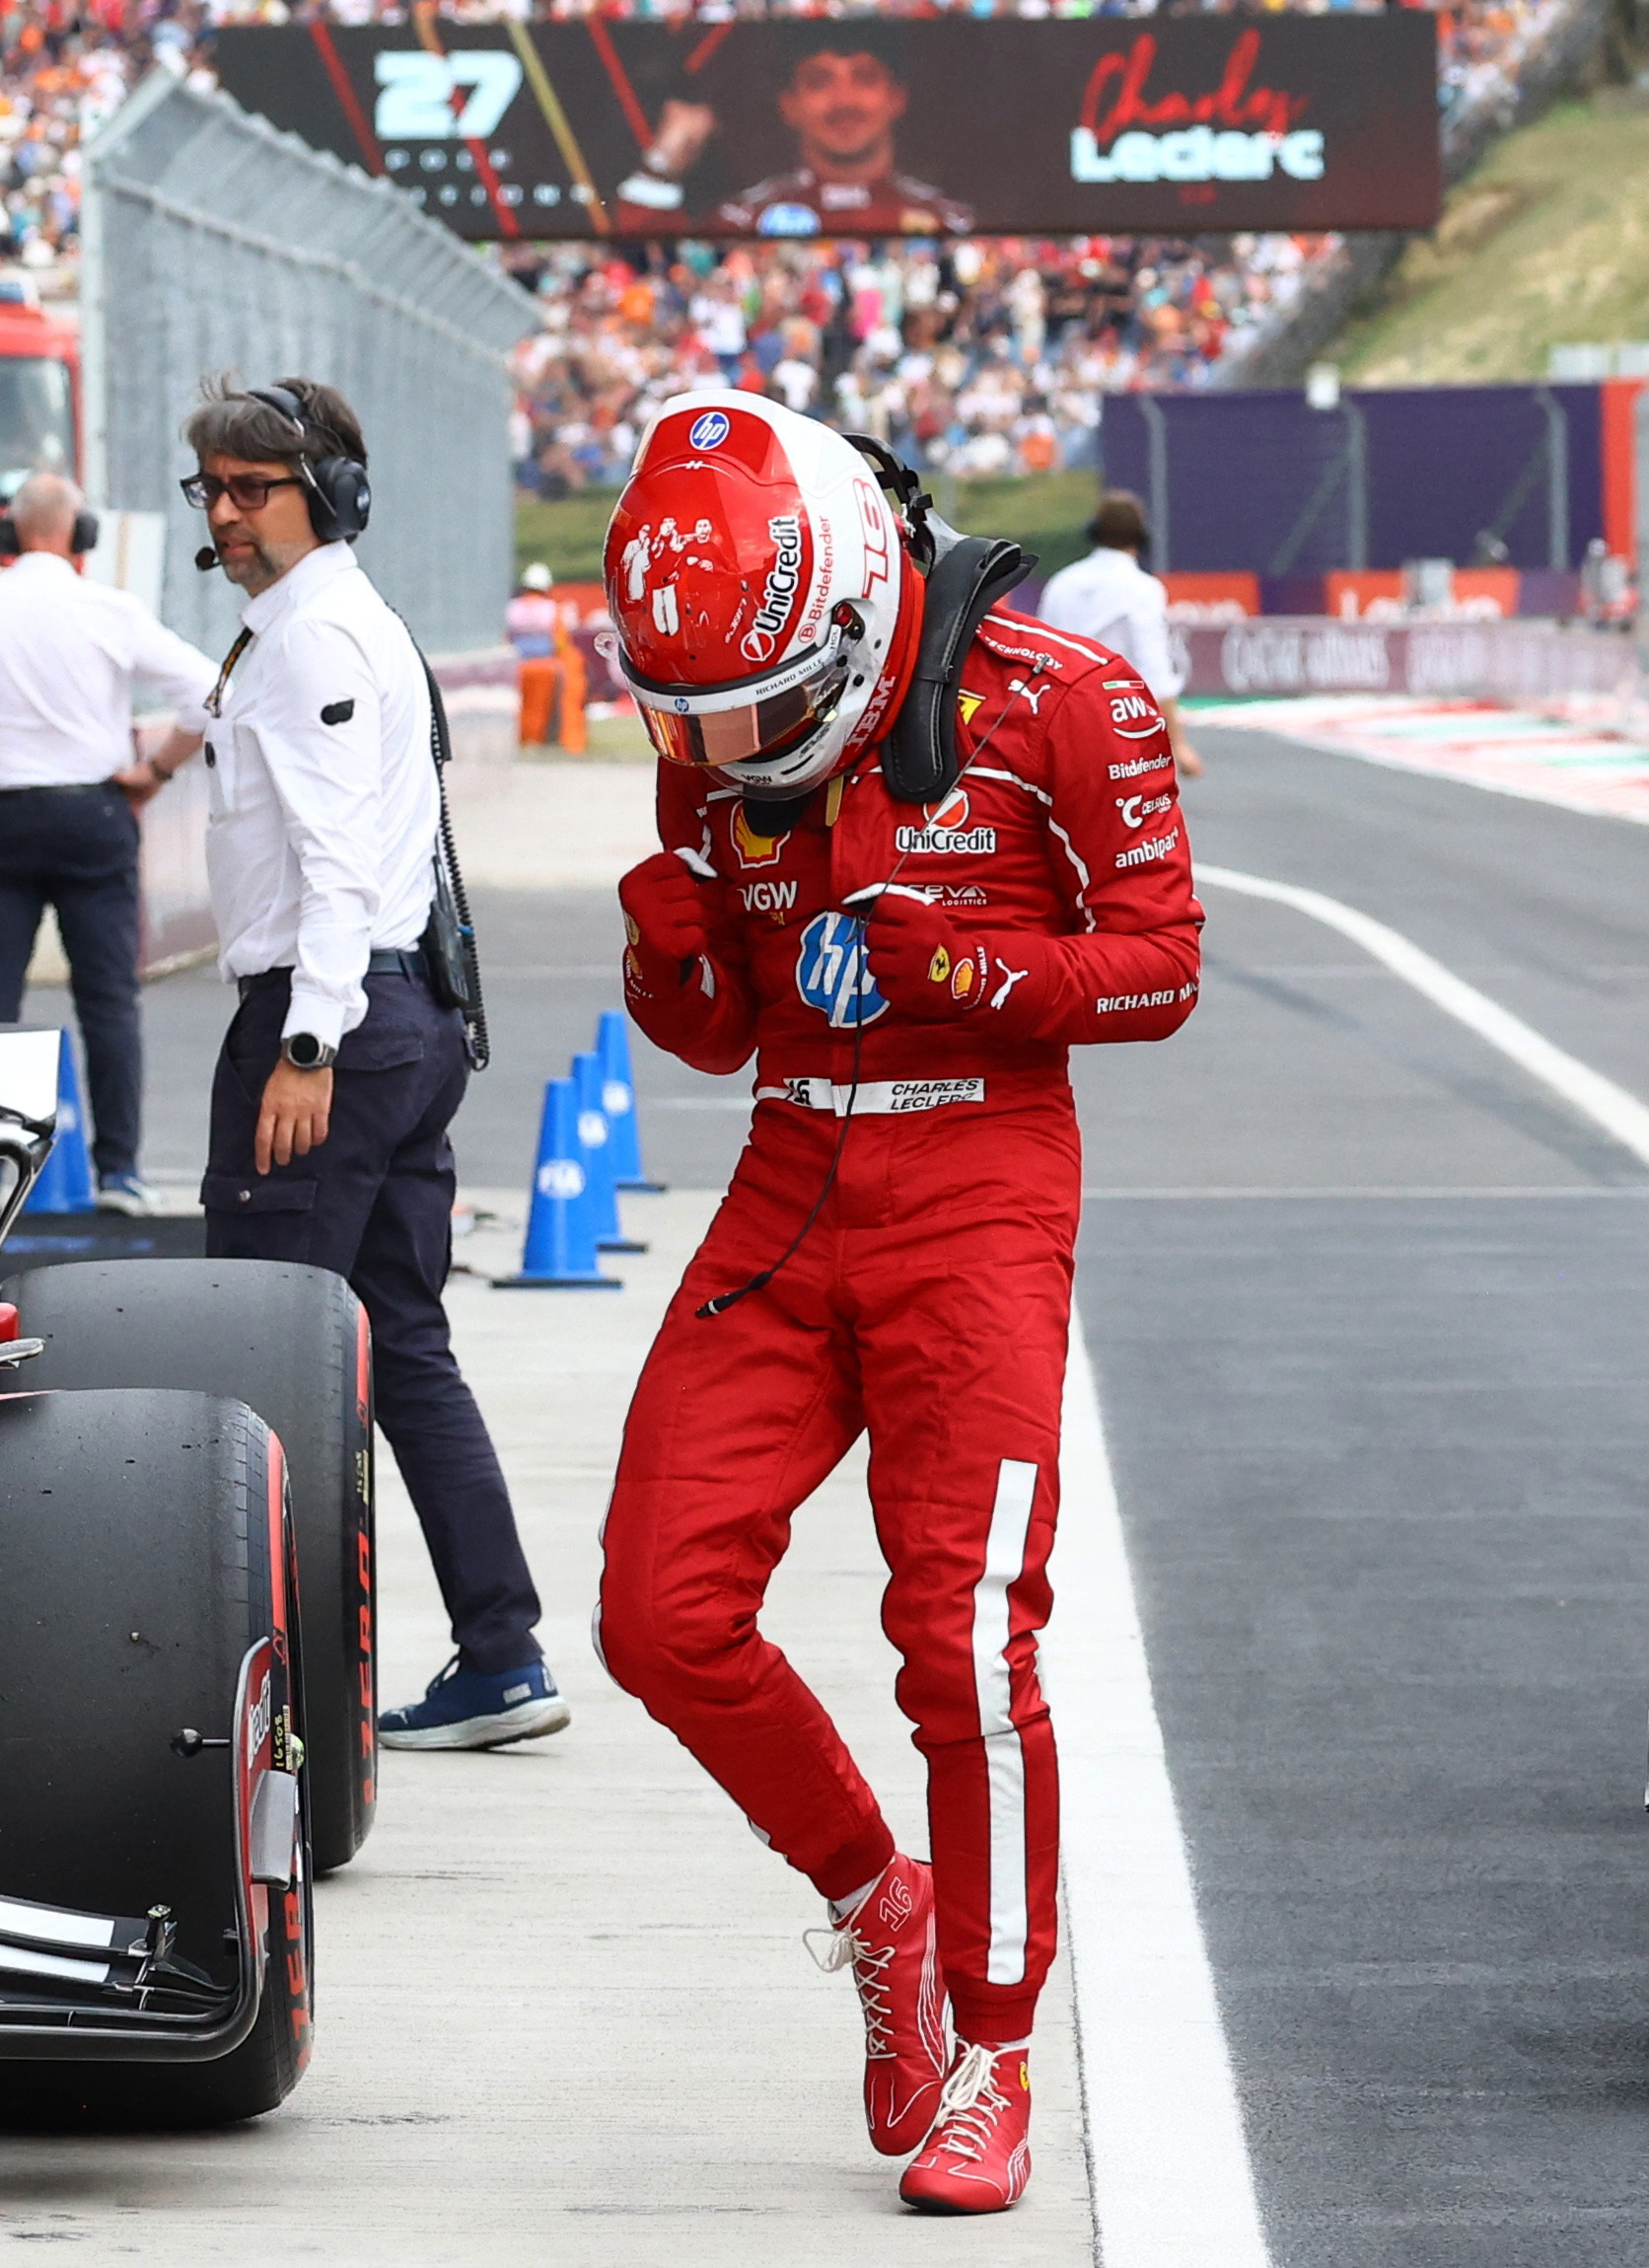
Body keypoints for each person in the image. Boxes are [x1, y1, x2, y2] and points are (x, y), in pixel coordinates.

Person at [595, 390, 1202, 2215]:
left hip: (979, 1189)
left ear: (862, 603)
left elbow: (1165, 967)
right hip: (788, 1182)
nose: (735, 749)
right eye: (699, 725)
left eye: (769, 712)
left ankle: (997, 2052)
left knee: (963, 1644)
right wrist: (666, 947)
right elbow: (714, 1035)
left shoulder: (1068, 697)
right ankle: (879, 1897)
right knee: (653, 1609)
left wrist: (979, 970)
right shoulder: (719, 716)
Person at [139, 377, 564, 1765]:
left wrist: (308, 1040)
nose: (224, 511)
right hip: (388, 1016)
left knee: (262, 1353)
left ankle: (290, 1696)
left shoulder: (315, 637)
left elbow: (339, 865)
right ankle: (500, 1649)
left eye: (250, 486)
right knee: (400, 1348)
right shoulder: (314, 626)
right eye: (210, 486)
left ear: (324, 490)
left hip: (335, 1018)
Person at [0, 473, 219, 1213]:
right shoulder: (110, 608)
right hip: (95, 812)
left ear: (7, 533)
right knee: (109, 999)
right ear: (79, 535)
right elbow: (212, 692)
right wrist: (156, 769)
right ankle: (119, 1170)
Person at [716, 29, 972, 238]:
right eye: (820, 81)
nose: (844, 101)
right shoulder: (740, 222)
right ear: (789, 105)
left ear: (897, 97)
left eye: (864, 78)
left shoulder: (949, 223)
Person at [1037, 489, 1197, 779]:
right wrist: (1180, 744)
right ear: (1141, 536)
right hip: (1118, 720)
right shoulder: (1143, 589)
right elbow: (1153, 668)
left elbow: (1040, 654)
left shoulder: (1061, 583)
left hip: (1059, 720)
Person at [507, 562, 587, 753]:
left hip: (517, 666)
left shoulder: (512, 608)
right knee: (538, 707)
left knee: (519, 706)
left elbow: (505, 637)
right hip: (544, 665)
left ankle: (521, 740)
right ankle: (533, 741)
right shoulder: (552, 609)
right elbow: (560, 641)